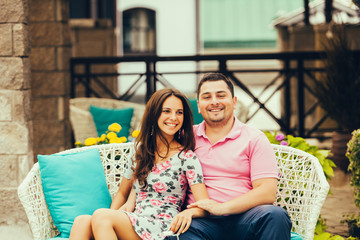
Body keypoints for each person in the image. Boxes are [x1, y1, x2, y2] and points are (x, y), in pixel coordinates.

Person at [69, 88, 209, 240]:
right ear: (154, 114)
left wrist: (188, 213)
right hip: (136, 219)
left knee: (102, 216)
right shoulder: (140, 151)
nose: (173, 117)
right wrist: (105, 221)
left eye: (179, 112)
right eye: (166, 111)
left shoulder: (187, 157)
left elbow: (204, 204)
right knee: (81, 221)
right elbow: (122, 193)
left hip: (162, 226)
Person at [168, 72, 292, 240]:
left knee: (275, 215)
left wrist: (222, 207)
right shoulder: (185, 137)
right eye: (207, 97)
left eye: (221, 95)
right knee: (179, 231)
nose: (214, 102)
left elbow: (267, 192)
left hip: (246, 217)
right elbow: (151, 150)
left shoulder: (254, 138)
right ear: (198, 105)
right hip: (202, 221)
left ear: (234, 102)